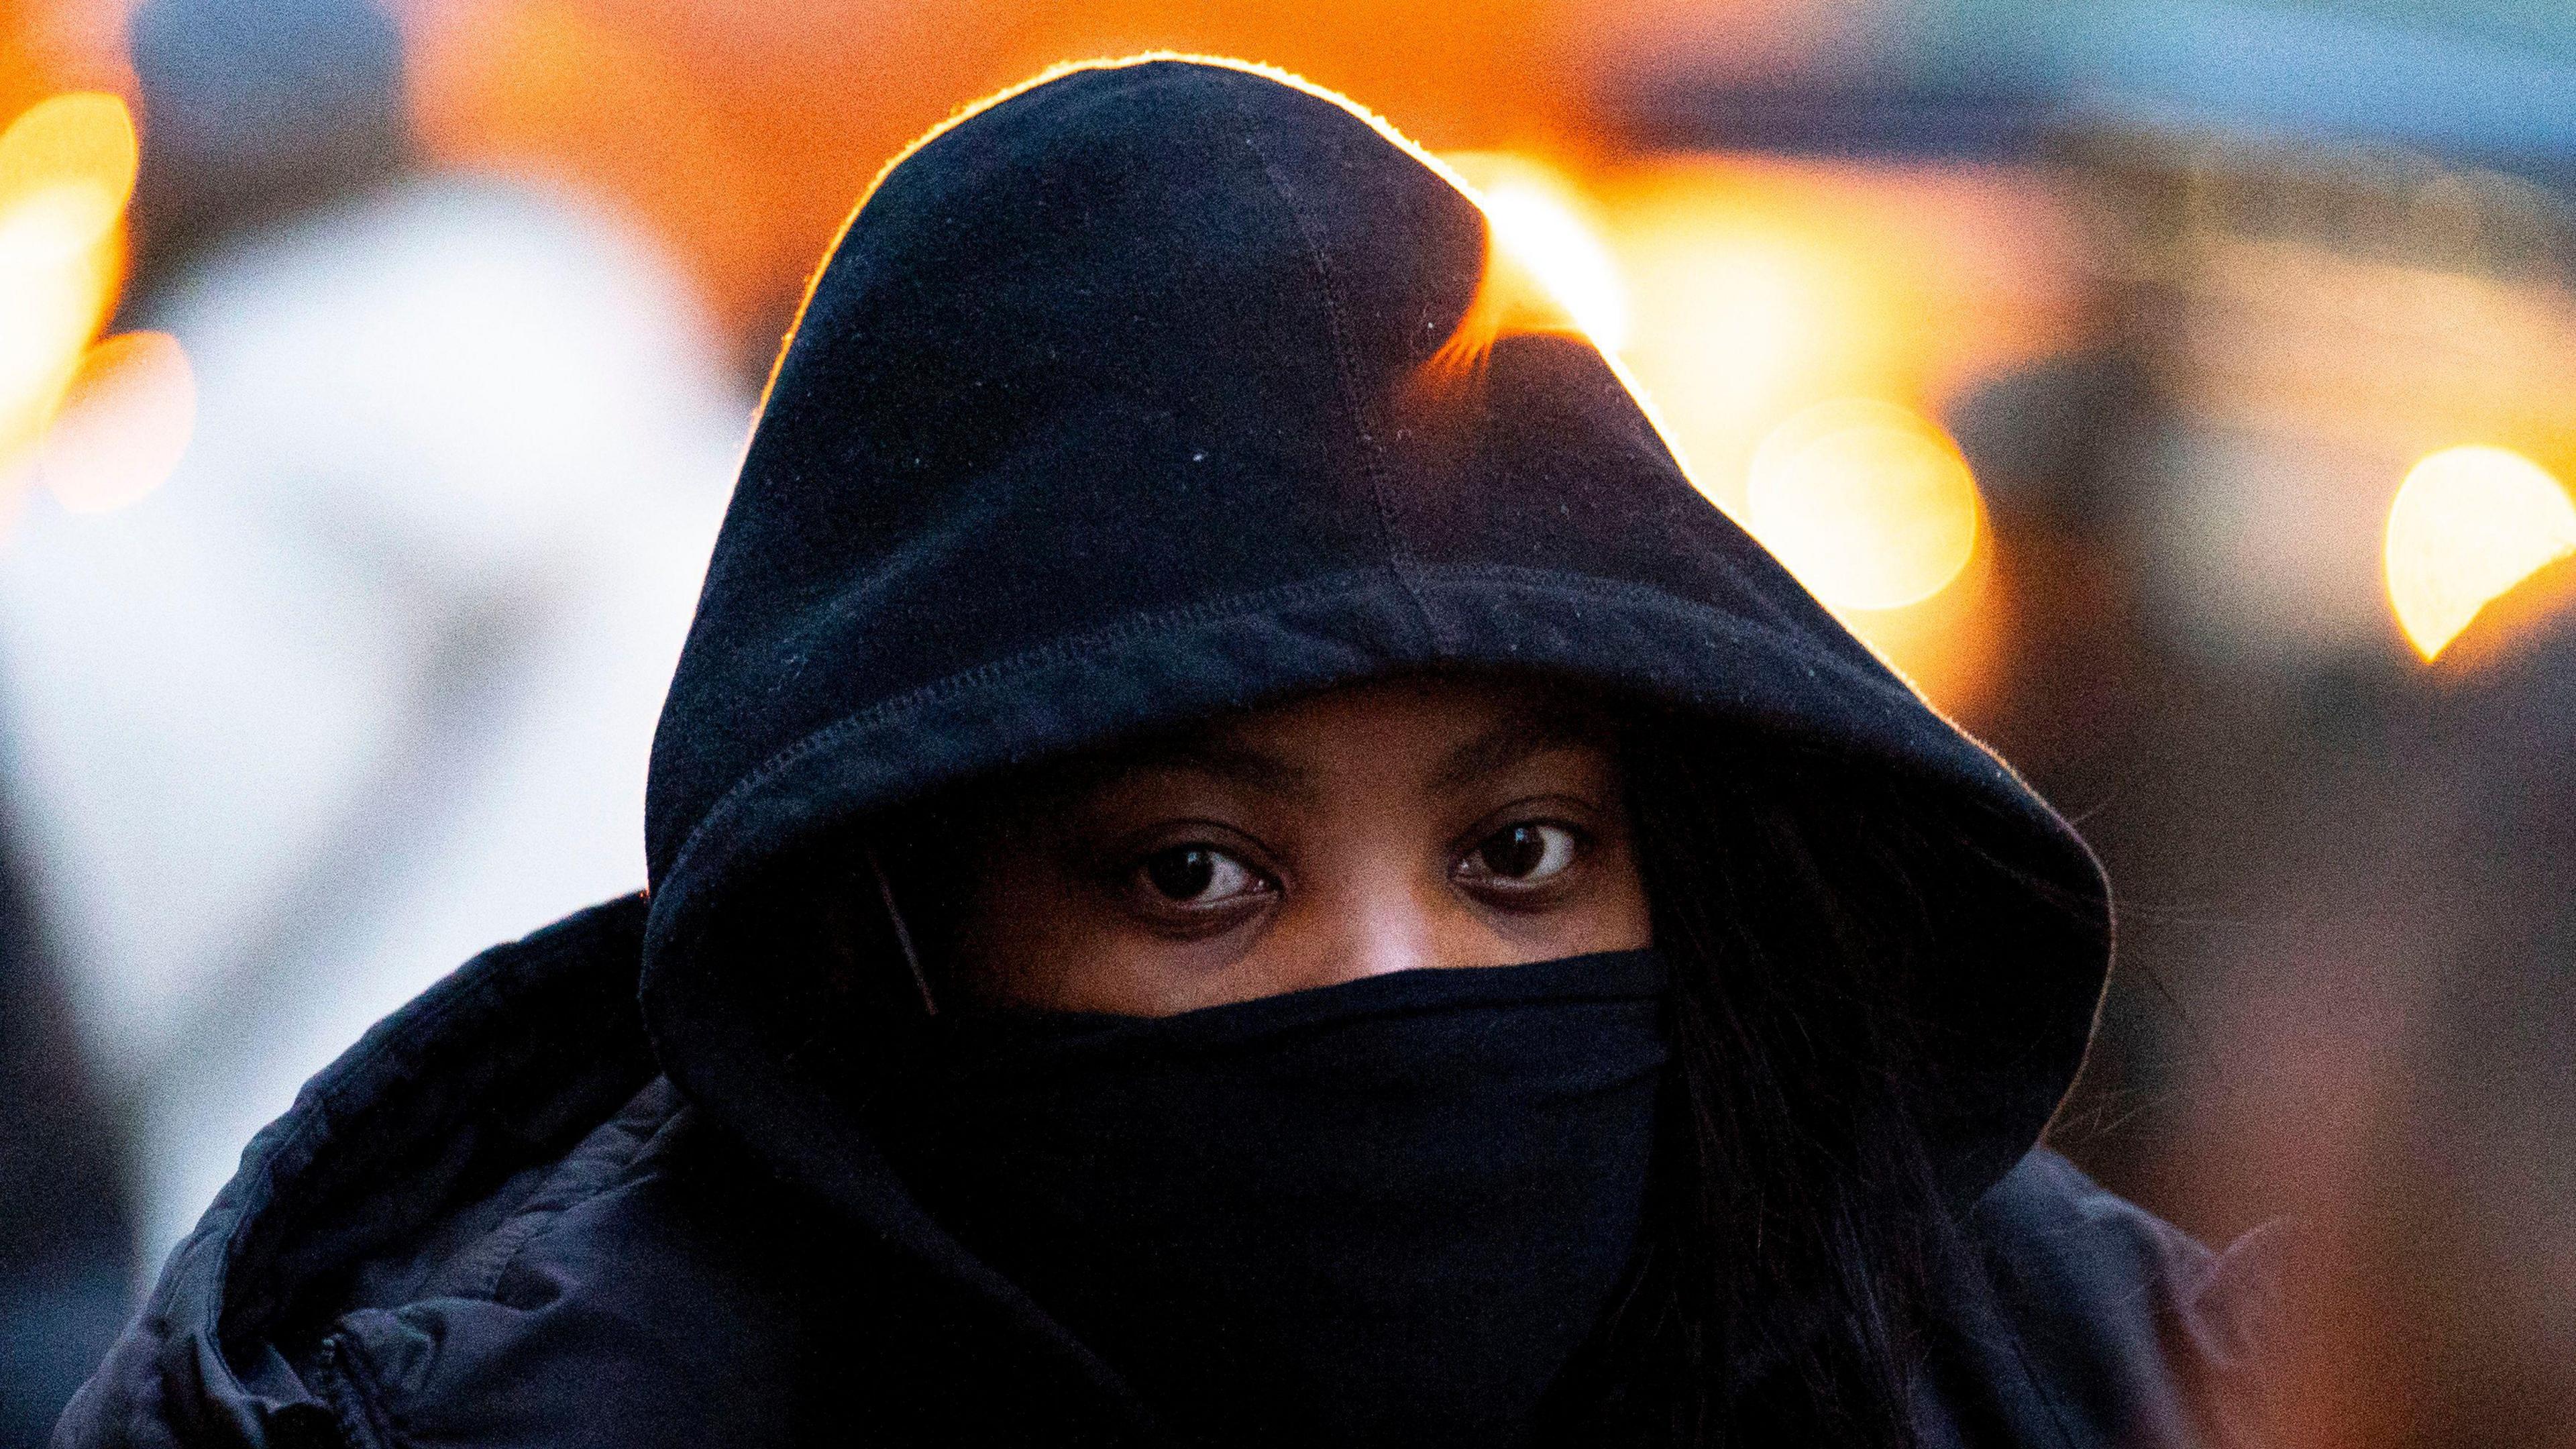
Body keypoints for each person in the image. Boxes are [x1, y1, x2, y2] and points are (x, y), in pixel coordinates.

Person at [56, 56, 2275, 1448]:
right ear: (904, 947)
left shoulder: (2090, 1384)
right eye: (1195, 875)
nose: (1395, 982)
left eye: (1520, 852)